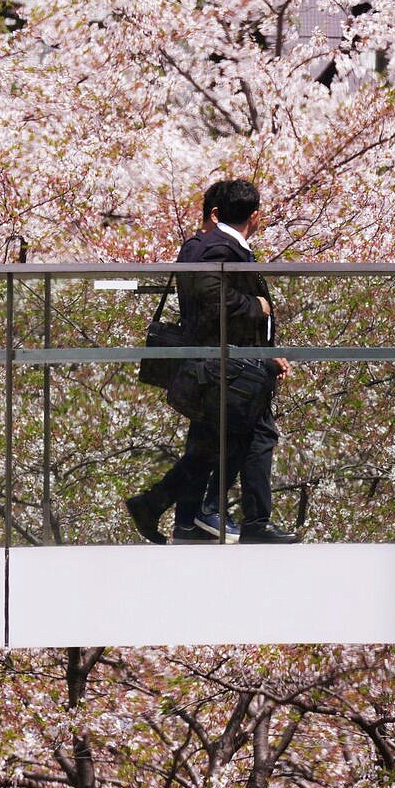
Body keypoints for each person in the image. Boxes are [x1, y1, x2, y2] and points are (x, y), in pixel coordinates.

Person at [125, 179, 300, 545]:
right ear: (255, 217)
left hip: (225, 364)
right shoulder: (217, 248)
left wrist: (268, 352)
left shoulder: (203, 245)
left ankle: (177, 514)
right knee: (248, 438)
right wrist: (257, 307)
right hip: (227, 367)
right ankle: (231, 518)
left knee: (212, 444)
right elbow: (211, 296)